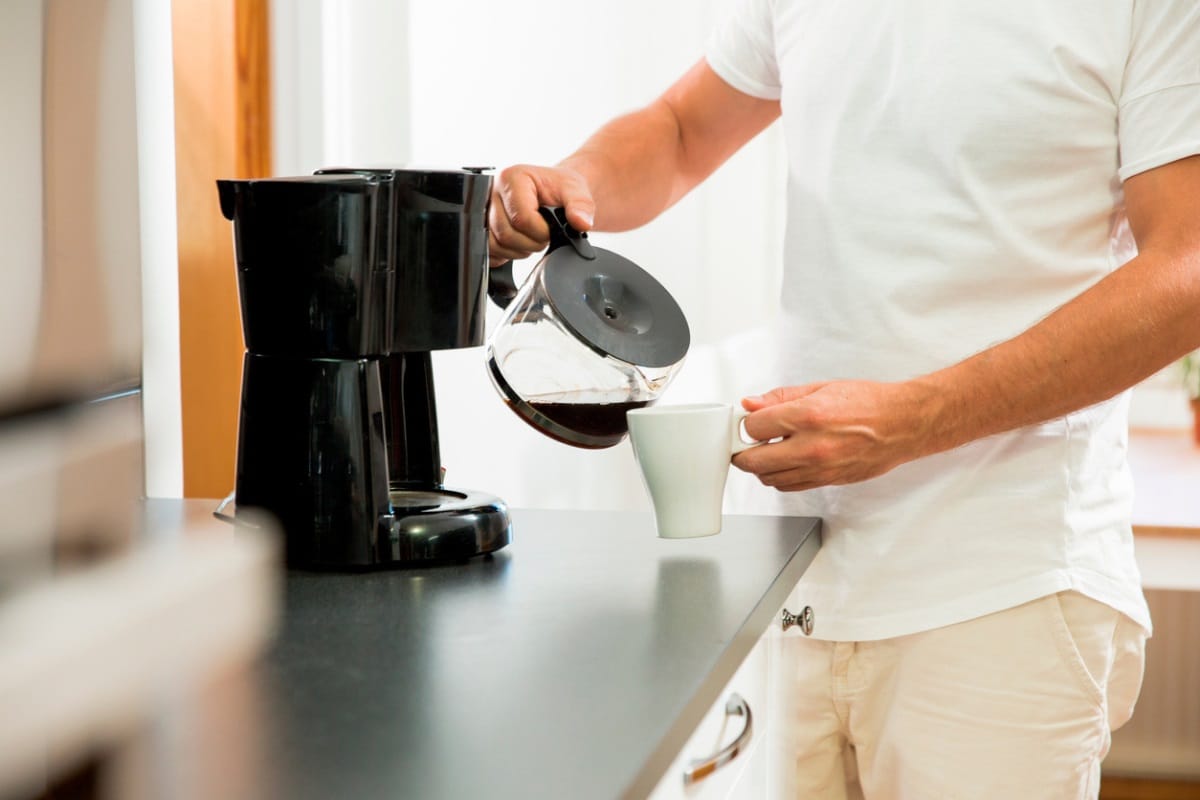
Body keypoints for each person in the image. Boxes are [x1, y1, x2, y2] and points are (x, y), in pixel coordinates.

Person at [488, 2, 1200, 798]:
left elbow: (1187, 270)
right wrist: (580, 180)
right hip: (790, 587)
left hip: (1004, 591)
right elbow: (683, 129)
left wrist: (915, 418)